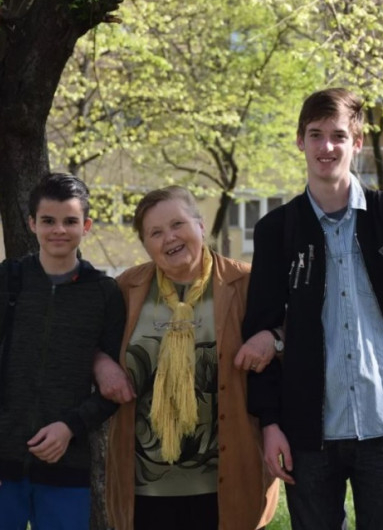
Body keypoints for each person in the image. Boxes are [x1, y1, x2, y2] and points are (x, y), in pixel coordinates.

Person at [234, 88, 383, 529]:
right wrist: (270, 423)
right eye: (316, 135)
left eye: (338, 136)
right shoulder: (277, 230)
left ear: (356, 142)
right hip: (308, 433)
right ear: (300, 141)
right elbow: (259, 333)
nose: (327, 147)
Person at [0, 173, 125, 530]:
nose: (59, 230)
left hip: (67, 468)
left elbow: (116, 389)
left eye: (70, 221)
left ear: (86, 226)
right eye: (48, 220)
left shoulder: (104, 293)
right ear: (32, 223)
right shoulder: (2, 281)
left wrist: (71, 426)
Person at [101, 186, 278, 530]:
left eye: (177, 224)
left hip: (226, 484)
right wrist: (101, 363)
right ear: (146, 244)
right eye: (155, 232)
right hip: (144, 488)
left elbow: (292, 334)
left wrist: (274, 338)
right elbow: (92, 344)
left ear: (200, 225)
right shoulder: (126, 289)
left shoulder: (246, 283)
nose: (169, 237)